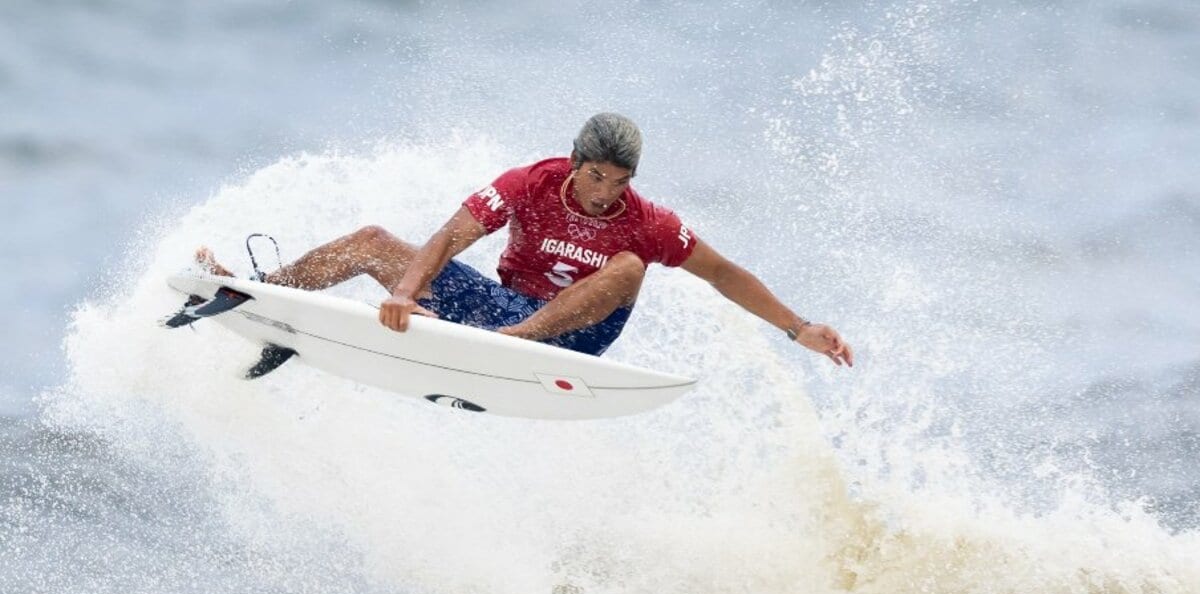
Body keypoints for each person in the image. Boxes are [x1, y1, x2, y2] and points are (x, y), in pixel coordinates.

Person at [197, 112, 853, 367]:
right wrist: (404, 291)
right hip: (502, 311)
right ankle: (262, 293)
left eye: (620, 181)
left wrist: (799, 328)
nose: (606, 193)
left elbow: (724, 273)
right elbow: (452, 236)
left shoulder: (647, 222)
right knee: (372, 239)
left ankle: (504, 350)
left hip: (572, 336)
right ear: (575, 161)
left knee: (629, 266)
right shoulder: (529, 184)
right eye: (597, 176)